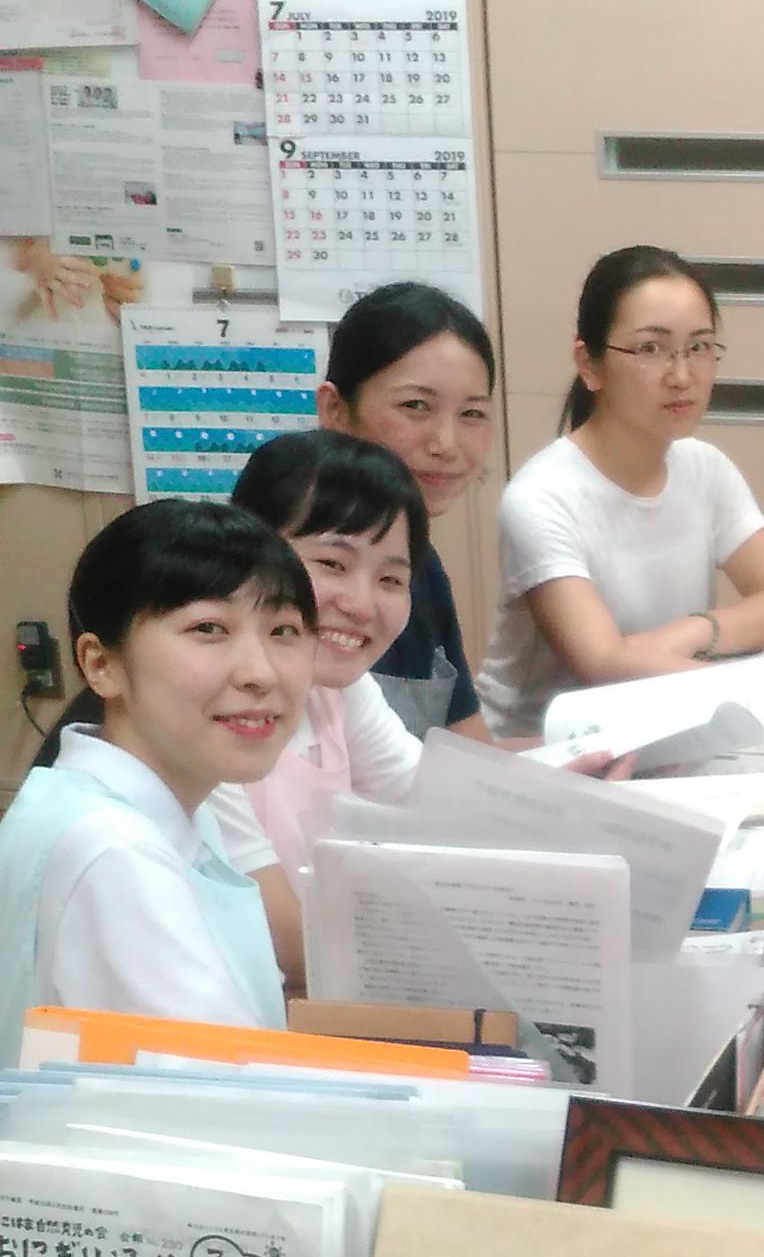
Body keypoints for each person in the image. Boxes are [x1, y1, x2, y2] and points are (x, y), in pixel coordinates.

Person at [476, 245, 764, 741]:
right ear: (589, 364)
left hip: (665, 731)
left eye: (698, 347)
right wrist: (754, 694)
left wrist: (691, 632)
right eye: (650, 350)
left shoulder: (704, 468)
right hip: (539, 751)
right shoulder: (541, 497)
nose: (682, 376)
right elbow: (603, 665)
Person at [0, 500, 316, 1063]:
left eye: (283, 630)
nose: (260, 672)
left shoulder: (144, 805)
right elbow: (227, 1090)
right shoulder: (115, 851)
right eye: (208, 628)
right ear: (101, 664)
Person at [210, 431, 428, 981]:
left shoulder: (340, 689)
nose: (361, 604)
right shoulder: (203, 707)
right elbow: (283, 939)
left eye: (391, 579)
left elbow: (436, 809)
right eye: (332, 563)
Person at [317, 280, 497, 738]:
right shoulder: (280, 569)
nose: (446, 444)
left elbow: (463, 743)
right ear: (335, 409)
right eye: (416, 406)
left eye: (471, 414)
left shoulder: (421, 564)